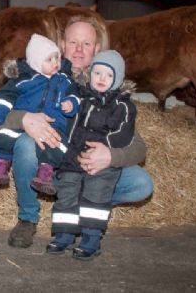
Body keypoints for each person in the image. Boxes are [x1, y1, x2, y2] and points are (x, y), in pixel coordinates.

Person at [0, 15, 153, 249]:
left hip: (88, 170)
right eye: (73, 42)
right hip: (51, 169)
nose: (79, 50)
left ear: (96, 49)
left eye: (86, 44)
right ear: (62, 45)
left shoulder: (105, 86)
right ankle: (28, 218)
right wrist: (23, 119)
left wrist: (111, 156)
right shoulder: (38, 74)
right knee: (25, 144)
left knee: (141, 183)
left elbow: (138, 147)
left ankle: (83, 205)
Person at [47, 49, 136, 260]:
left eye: (109, 75)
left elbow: (125, 133)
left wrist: (105, 148)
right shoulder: (81, 97)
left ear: (118, 80)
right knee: (67, 190)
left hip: (102, 159)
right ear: (90, 74)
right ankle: (64, 234)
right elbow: (69, 123)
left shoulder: (123, 106)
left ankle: (91, 239)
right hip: (74, 155)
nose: (102, 79)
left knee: (95, 195)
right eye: (97, 73)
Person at [0, 33, 79, 195]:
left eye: (58, 58)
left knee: (57, 144)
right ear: (36, 63)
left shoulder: (65, 80)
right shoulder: (24, 79)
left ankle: (46, 173)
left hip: (54, 124)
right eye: (50, 59)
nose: (56, 63)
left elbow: (74, 93)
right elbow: (6, 94)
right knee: (6, 133)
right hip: (25, 121)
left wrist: (72, 103)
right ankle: (1, 163)